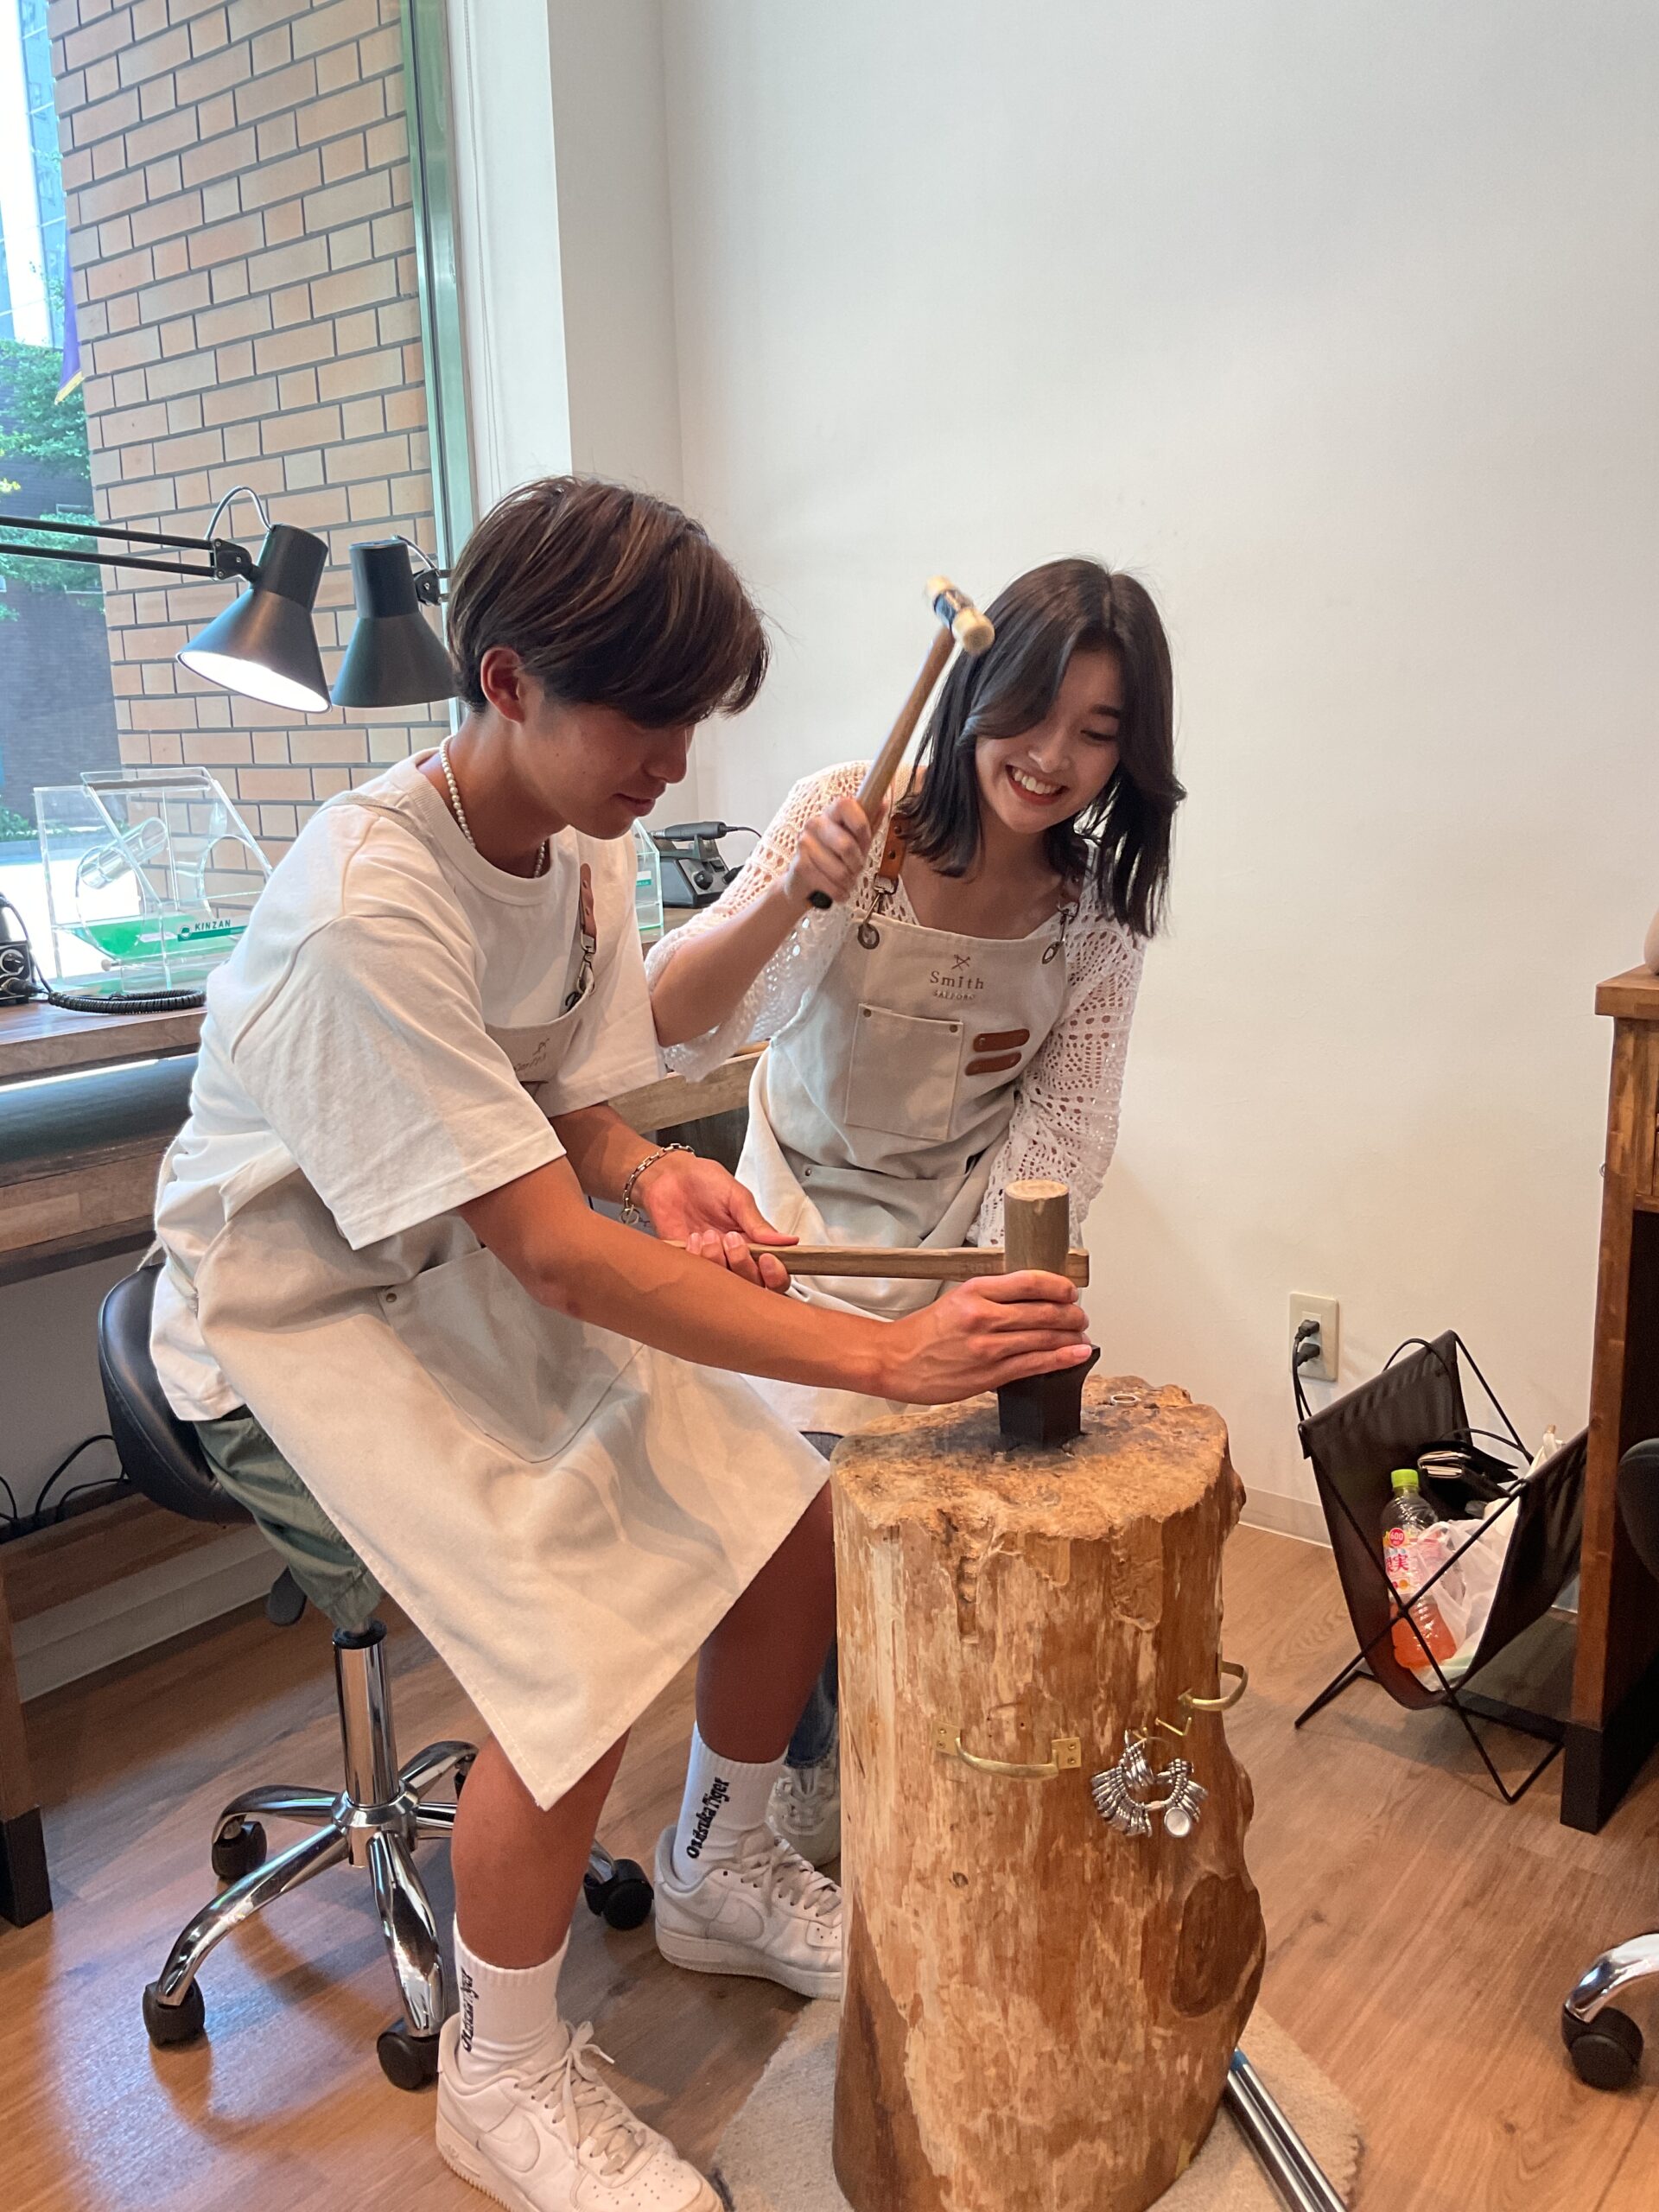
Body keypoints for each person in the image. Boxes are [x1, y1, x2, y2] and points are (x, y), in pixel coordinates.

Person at [148, 478, 1090, 2212]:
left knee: (782, 1502)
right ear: (508, 680)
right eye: (644, 721)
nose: (673, 764)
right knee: (572, 1623)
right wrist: (880, 1361)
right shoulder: (369, 903)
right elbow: (556, 1255)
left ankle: (724, 1862)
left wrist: (659, 1171)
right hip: (289, 1310)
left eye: (691, 721)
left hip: (459, 1253)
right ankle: (499, 2078)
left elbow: (569, 1120)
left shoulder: (577, 849)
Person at [646, 557, 1183, 1866]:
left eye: (1097, 733)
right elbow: (676, 1020)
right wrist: (796, 890)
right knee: (797, 1505)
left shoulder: (1094, 917)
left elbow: (1065, 1130)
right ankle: (778, 1784)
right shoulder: (854, 816)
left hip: (954, 1229)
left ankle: (921, 1744)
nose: (1050, 758)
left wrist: (994, 1285)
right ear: (976, 688)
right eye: (1033, 710)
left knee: (978, 1489)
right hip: (787, 1219)